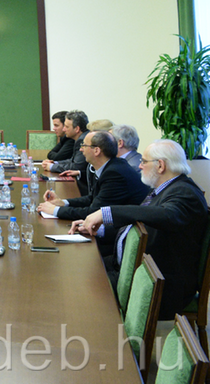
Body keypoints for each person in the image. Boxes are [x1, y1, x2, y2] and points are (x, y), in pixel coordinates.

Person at [76, 139, 209, 319]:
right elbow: (137, 227)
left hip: (158, 284)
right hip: (129, 268)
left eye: (144, 161)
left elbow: (166, 215)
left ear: (160, 165)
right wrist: (98, 229)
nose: (139, 166)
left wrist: (108, 212)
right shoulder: (165, 189)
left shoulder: (185, 193)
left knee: (80, 289)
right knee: (79, 268)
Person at [37, 131, 147, 255]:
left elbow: (93, 212)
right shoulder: (110, 167)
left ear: (96, 151)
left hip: (116, 241)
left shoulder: (115, 173)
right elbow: (92, 198)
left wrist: (55, 211)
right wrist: (63, 202)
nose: (81, 149)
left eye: (84, 145)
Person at [45, 110, 91, 195]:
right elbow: (72, 160)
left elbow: (76, 166)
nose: (64, 129)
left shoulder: (83, 140)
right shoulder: (80, 138)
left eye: (66, 126)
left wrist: (52, 167)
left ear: (77, 129)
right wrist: (55, 163)